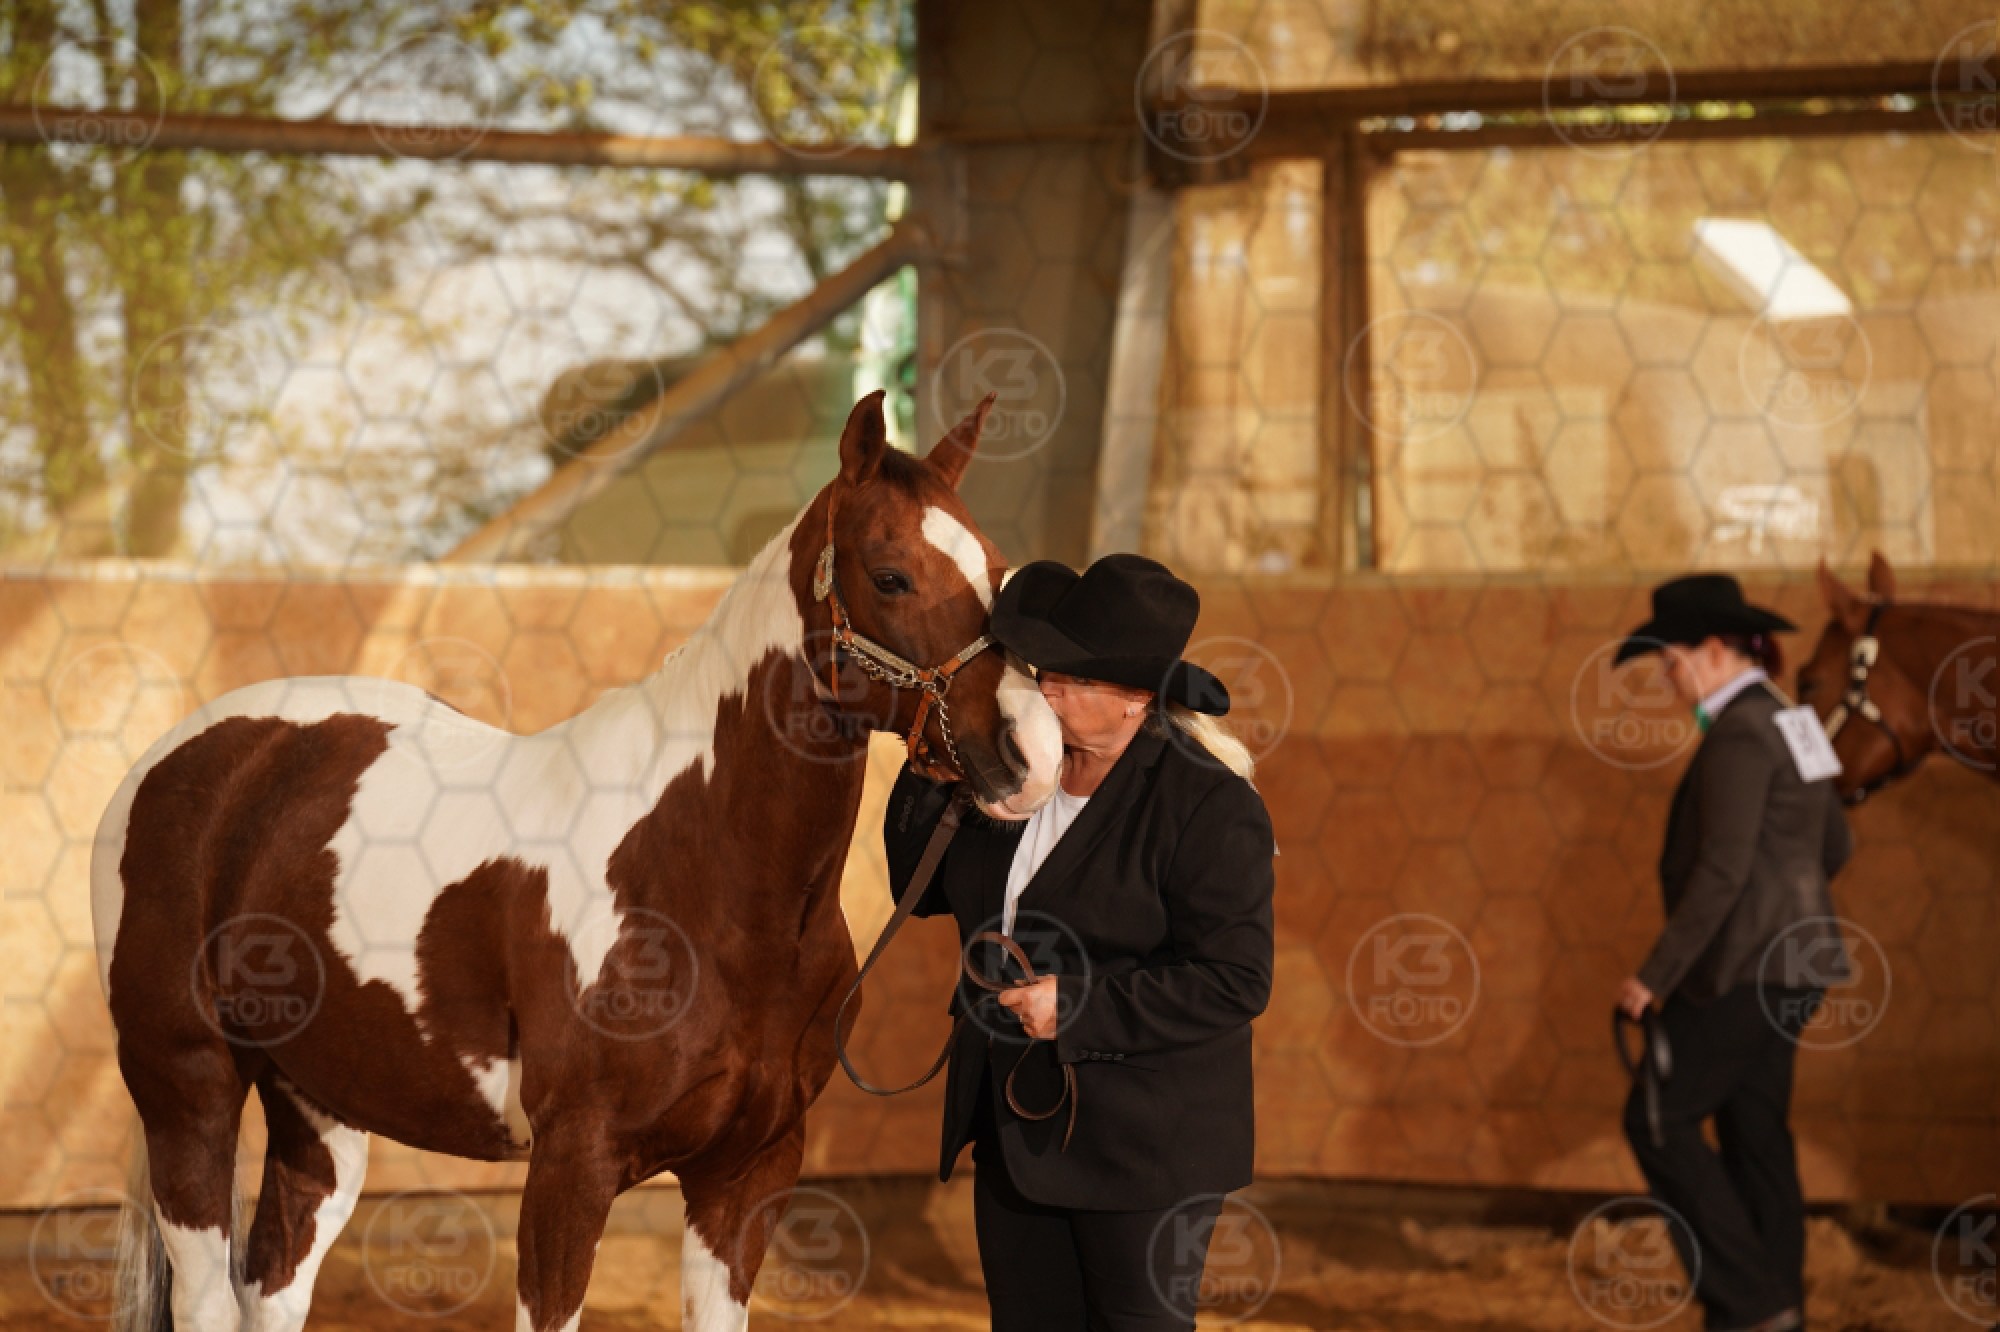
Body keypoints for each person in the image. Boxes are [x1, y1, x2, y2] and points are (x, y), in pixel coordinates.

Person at [880, 553, 1276, 1332]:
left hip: (1143, 1151)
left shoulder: (1208, 805)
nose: (1049, 691)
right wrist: (934, 766)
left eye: (1077, 679)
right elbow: (921, 893)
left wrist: (1078, 1008)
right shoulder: (1015, 772)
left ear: (1137, 699)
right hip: (1014, 1128)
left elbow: (1235, 980)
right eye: (1046, 671)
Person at [1612, 572, 1854, 1332]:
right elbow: (1835, 845)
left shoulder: (1742, 732)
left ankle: (1751, 1302)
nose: (1667, 679)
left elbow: (1723, 870)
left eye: (1671, 662)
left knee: (1657, 1117)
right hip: (1800, 962)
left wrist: (1654, 977)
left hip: (1747, 965)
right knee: (1754, 1130)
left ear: (1714, 651)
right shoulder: (1794, 721)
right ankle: (1777, 1309)